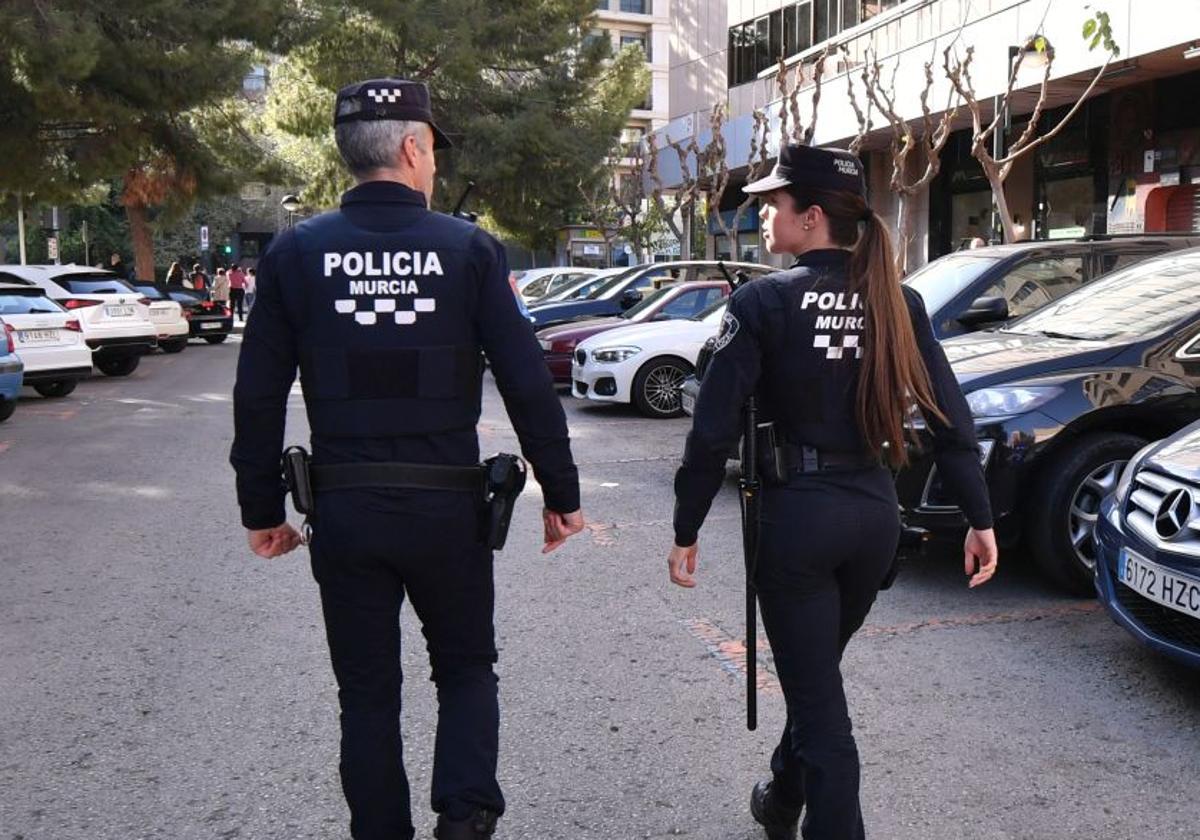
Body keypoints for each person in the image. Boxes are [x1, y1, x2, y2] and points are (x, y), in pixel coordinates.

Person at [229, 77, 585, 840]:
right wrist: (562, 491)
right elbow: (526, 381)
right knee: (464, 670)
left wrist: (261, 508)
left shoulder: (295, 253)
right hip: (447, 511)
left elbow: (257, 394)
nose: (436, 170)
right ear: (414, 147)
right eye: (434, 154)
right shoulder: (470, 251)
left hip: (347, 512)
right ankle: (464, 818)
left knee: (366, 696)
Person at [667, 144, 998, 840]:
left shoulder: (764, 301)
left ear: (811, 217)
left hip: (799, 524)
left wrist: (686, 527)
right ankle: (783, 798)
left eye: (773, 203)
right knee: (813, 679)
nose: (762, 214)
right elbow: (951, 419)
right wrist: (979, 516)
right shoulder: (896, 300)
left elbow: (711, 431)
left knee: (823, 708)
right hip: (873, 520)